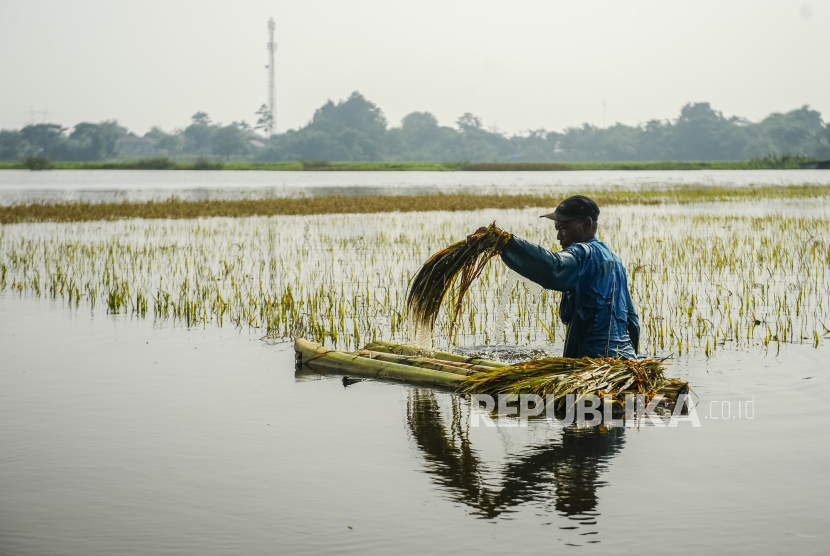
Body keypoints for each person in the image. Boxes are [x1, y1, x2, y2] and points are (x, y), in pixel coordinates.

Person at [468, 195, 639, 359]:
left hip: (594, 364)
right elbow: (632, 323)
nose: (559, 236)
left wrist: (505, 243)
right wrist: (633, 367)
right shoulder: (616, 263)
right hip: (624, 361)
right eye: (557, 229)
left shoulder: (583, 254)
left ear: (586, 225)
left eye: (563, 228)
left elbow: (554, 267)